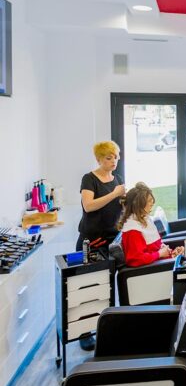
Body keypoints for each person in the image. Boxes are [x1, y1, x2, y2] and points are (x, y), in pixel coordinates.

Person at [77, 141, 125, 350]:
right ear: (98, 159)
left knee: (109, 287)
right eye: (108, 158)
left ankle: (107, 328)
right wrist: (114, 194)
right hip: (92, 241)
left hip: (112, 241)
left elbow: (119, 208)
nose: (113, 161)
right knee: (90, 287)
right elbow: (88, 206)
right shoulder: (89, 179)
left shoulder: (118, 179)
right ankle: (85, 332)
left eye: (115, 157)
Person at [118, 182, 186, 267]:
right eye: (149, 200)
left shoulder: (143, 219)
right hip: (162, 266)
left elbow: (155, 248)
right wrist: (161, 254)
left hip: (164, 259)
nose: (152, 203)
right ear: (139, 205)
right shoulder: (132, 231)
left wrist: (172, 252)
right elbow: (136, 260)